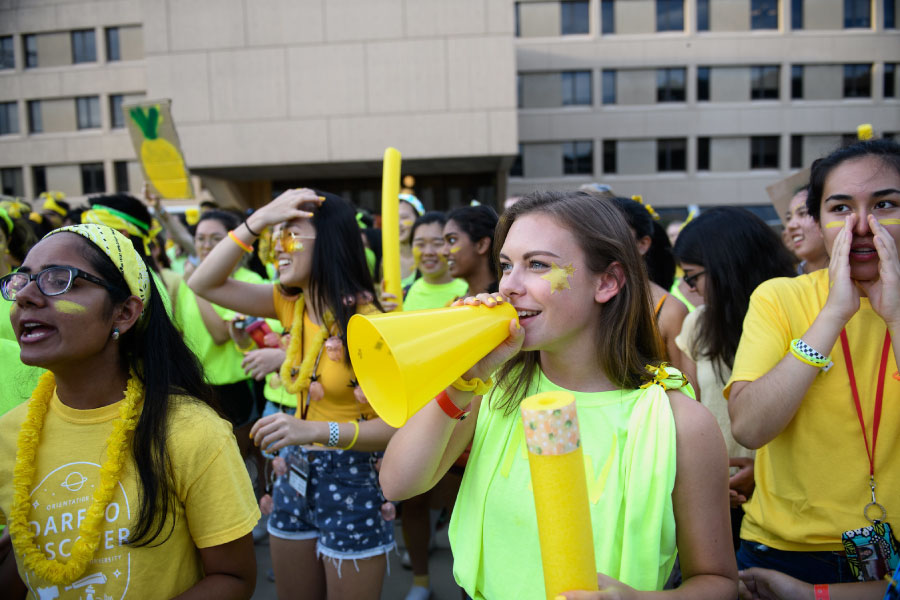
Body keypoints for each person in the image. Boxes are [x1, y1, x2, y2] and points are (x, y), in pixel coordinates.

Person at [380, 190, 738, 599]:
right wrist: (463, 380)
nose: (509, 286)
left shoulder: (681, 422)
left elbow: (718, 582)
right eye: (505, 265)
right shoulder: (492, 386)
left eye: (537, 265)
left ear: (606, 282)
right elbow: (397, 483)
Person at [0, 224, 258, 599]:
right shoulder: (9, 433)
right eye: (20, 281)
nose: (25, 296)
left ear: (124, 312)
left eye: (59, 280)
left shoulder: (193, 431)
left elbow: (234, 578)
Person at [188, 188, 396, 600]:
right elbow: (203, 281)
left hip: (353, 479)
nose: (277, 248)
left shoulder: (372, 325)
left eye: (291, 235)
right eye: (274, 237)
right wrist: (258, 219)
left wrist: (312, 431)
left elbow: (397, 426)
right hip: (293, 471)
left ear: (331, 241)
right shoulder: (290, 306)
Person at [727, 139, 900, 584]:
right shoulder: (779, 297)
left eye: (884, 204)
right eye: (840, 208)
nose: (862, 226)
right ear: (821, 223)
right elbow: (749, 426)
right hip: (782, 550)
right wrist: (833, 315)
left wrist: (894, 317)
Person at [672, 207, 796, 549]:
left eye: (693, 276)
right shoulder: (696, 325)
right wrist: (705, 479)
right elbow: (689, 410)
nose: (687, 288)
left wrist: (759, 471)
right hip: (717, 490)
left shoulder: (800, 317)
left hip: (790, 495)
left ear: (729, 267)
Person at [610, 196, 688, 364]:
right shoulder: (579, 297)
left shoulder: (671, 311)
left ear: (643, 244)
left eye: (616, 232)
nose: (605, 239)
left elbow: (686, 386)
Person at [403, 212, 468, 311]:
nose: (428, 252)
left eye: (437, 244)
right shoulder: (402, 294)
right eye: (420, 244)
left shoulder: (469, 295)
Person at [442, 205, 499, 296]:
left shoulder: (509, 303)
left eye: (452, 240)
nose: (443, 252)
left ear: (482, 245)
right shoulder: (455, 304)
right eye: (443, 242)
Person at [784, 187, 828, 275]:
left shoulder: (857, 278)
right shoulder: (786, 282)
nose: (790, 225)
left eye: (802, 213)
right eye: (788, 218)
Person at [399, 195, 424, 290]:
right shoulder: (385, 261)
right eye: (392, 218)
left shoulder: (429, 257)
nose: (398, 223)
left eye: (404, 217)